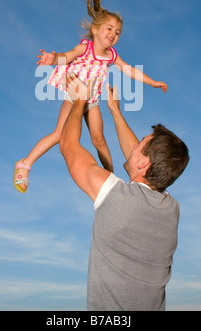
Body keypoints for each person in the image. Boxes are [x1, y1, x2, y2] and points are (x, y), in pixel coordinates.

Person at [13, 0, 167, 193]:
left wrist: (153, 82)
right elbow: (66, 56)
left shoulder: (111, 55)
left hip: (92, 101)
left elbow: (129, 69)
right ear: (95, 30)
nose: (113, 34)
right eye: (109, 28)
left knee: (99, 139)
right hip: (75, 96)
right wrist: (52, 59)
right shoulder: (84, 48)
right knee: (59, 134)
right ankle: (25, 164)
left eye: (118, 32)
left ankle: (112, 180)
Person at [59, 75, 189, 311]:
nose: (134, 145)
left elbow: (68, 147)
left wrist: (78, 101)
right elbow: (141, 162)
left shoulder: (116, 198)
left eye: (140, 142)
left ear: (144, 163)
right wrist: (115, 112)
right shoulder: (171, 209)